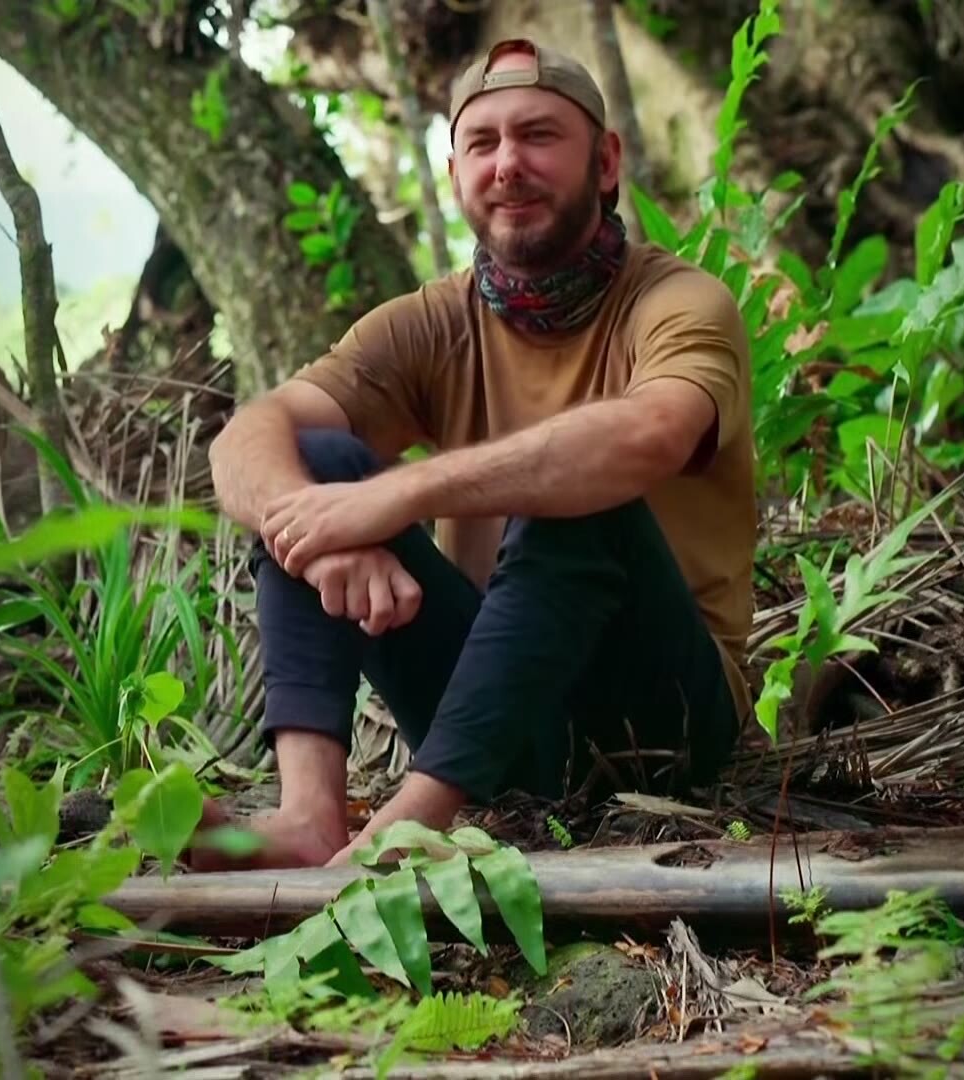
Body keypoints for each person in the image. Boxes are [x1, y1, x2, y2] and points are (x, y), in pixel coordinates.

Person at [192, 38, 756, 871]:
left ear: (606, 162)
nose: (508, 164)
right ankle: (308, 817)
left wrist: (398, 496)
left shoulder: (676, 301)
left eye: (539, 135)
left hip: (661, 724)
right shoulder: (434, 321)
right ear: (456, 172)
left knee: (580, 492)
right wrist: (322, 537)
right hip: (498, 723)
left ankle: (411, 825)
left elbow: (650, 434)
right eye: (482, 143)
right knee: (311, 461)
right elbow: (250, 435)